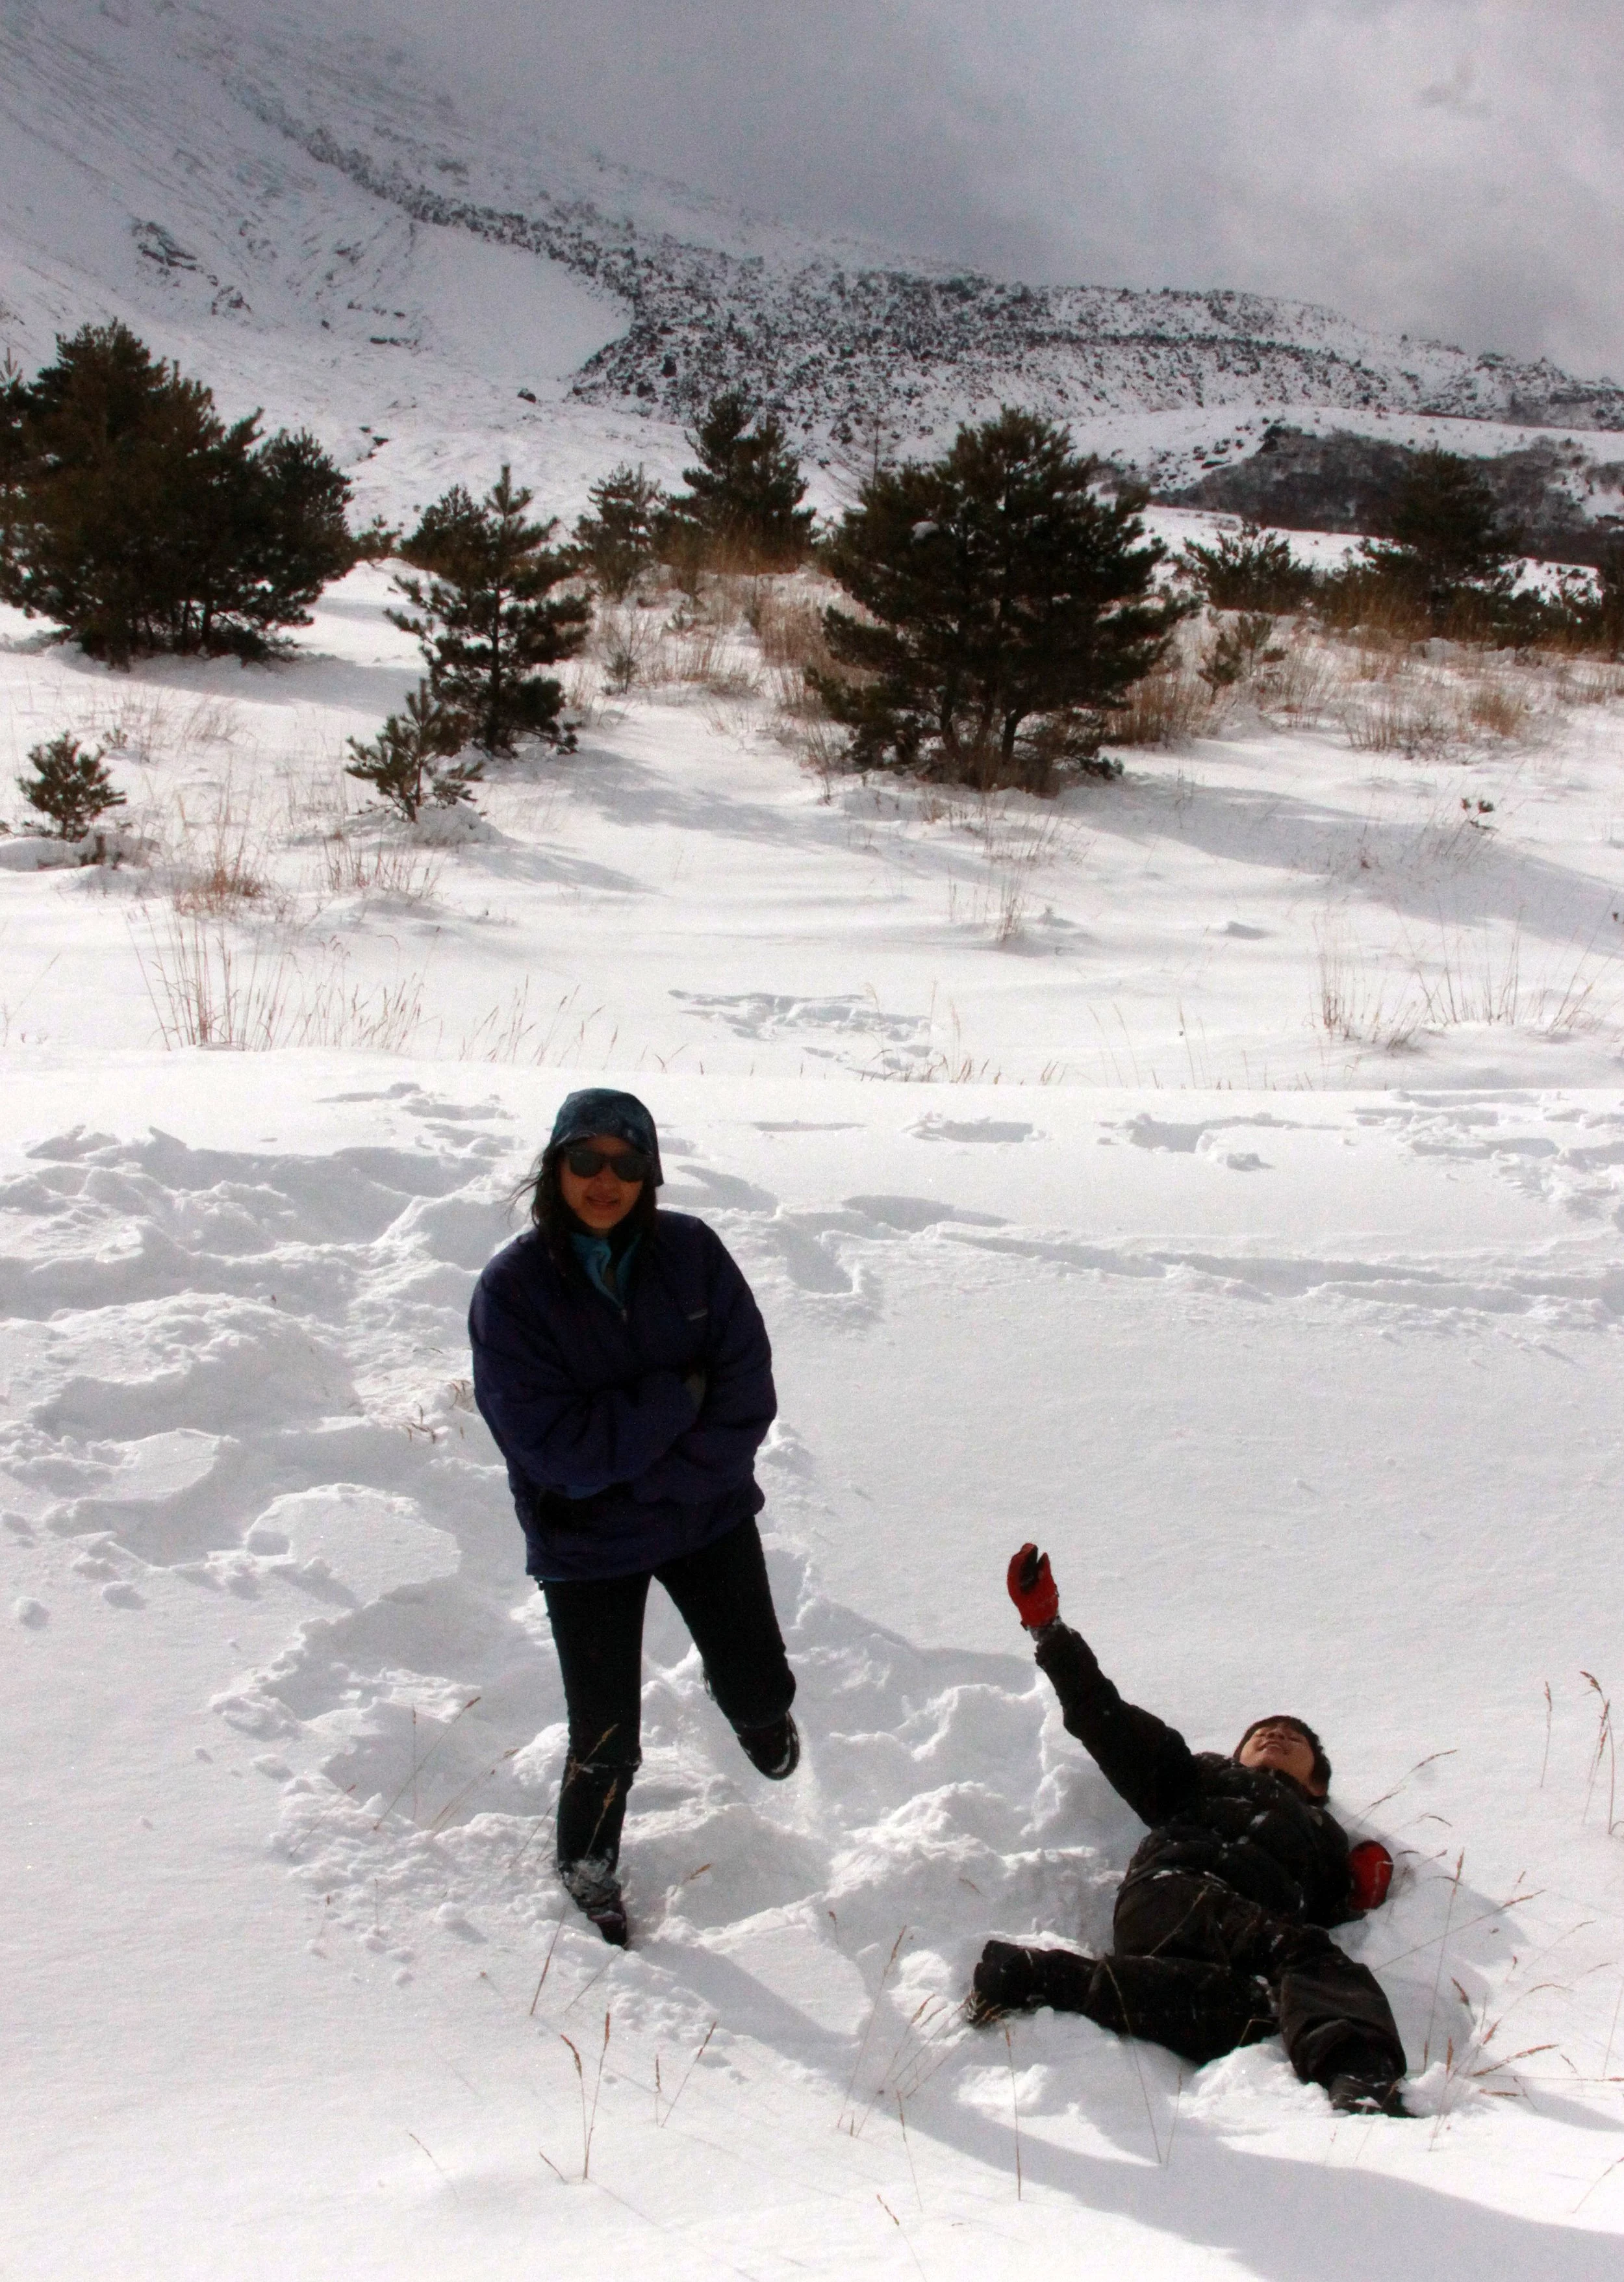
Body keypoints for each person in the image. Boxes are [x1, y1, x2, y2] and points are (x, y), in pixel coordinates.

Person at [469, 1088, 798, 1946]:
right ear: (556, 1167)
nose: (604, 1180)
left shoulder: (693, 1255)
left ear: (649, 1173)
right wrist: (666, 1404)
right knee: (605, 1732)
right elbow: (552, 1450)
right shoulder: (512, 1291)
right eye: (586, 1160)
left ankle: (760, 1715)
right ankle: (587, 1863)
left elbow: (743, 1398)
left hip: (702, 1513)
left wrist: (646, 1467)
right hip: (585, 1544)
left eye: (625, 1162)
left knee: (760, 1677)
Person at [969, 1544, 1410, 2118]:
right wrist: (1049, 1630)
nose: (1275, 1735)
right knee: (1309, 1958)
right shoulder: (1195, 1776)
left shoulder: (1321, 1836)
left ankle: (1044, 1978)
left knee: (1252, 2015)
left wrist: (1358, 1890)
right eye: (1263, 1732)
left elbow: (1327, 1902)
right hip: (1172, 1893)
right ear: (1238, 1752)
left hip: (1236, 1947)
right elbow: (1108, 1720)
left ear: (1317, 1783)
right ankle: (1361, 2076)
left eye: (1292, 1737)